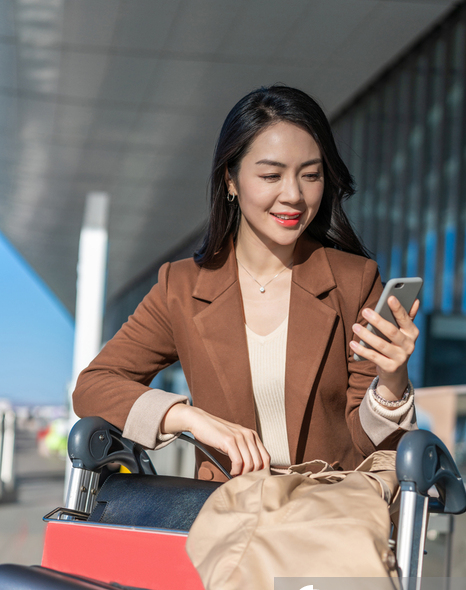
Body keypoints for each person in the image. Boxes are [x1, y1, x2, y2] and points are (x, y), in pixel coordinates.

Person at [73, 85, 418, 481]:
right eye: (271, 175)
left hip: (326, 518)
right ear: (231, 181)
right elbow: (94, 385)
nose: (293, 195)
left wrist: (392, 382)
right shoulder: (182, 287)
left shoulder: (354, 282)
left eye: (311, 175)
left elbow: (367, 445)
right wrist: (188, 417)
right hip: (225, 516)